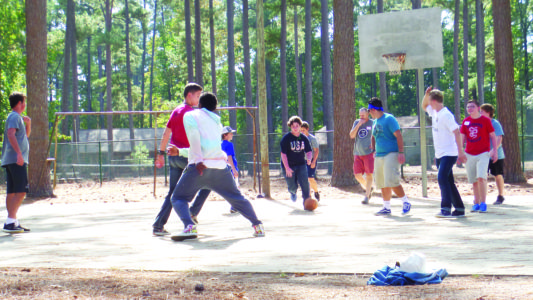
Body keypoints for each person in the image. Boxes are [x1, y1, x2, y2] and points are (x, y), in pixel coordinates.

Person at [170, 92, 265, 241]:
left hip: (199, 166)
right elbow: (208, 146)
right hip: (220, 167)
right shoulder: (217, 123)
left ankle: (189, 226)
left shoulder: (191, 116)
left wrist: (199, 160)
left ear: (200, 105)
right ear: (214, 108)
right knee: (236, 198)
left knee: (178, 198)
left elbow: (195, 139)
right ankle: (258, 226)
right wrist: (181, 151)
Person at [152, 83, 211, 236]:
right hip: (186, 157)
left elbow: (166, 133)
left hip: (173, 157)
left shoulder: (176, 111)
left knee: (173, 193)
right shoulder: (191, 114)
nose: (199, 100)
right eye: (198, 96)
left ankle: (158, 225)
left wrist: (161, 153)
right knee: (209, 181)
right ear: (189, 95)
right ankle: (191, 213)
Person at [422, 87, 467, 218]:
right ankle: (459, 208)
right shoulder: (435, 112)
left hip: (450, 153)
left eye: (430, 100)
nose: (429, 103)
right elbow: (424, 106)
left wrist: (460, 152)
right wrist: (426, 94)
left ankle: (445, 208)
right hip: (440, 154)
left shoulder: (446, 115)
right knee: (448, 181)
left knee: (441, 178)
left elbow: (457, 132)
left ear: (434, 101)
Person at [368, 98, 411, 216]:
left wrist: (401, 152)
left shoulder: (389, 119)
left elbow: (398, 135)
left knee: (392, 180)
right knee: (382, 182)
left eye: (369, 110)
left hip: (391, 154)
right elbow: (373, 136)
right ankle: (386, 207)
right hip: (379, 155)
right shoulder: (375, 121)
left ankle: (406, 202)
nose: (369, 113)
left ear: (374, 109)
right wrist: (373, 149)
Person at [460, 100, 498, 213]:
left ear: (478, 108)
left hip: (483, 153)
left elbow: (492, 135)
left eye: (472, 106)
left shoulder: (485, 120)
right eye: (468, 107)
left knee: (481, 177)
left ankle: (483, 203)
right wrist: (460, 152)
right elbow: (462, 137)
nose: (470, 108)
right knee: (474, 180)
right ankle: (476, 203)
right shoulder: (466, 121)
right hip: (469, 154)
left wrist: (495, 151)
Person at [2, 92, 31, 233]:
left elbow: (24, 137)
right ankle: (10, 222)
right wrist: (19, 154)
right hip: (16, 160)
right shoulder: (14, 116)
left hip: (11, 160)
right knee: (21, 191)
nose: (25, 104)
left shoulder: (16, 117)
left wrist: (28, 124)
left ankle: (12, 221)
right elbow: (10, 134)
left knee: (13, 192)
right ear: (20, 103)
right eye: (24, 102)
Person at [280, 116, 313, 206]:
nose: (295, 128)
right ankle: (293, 192)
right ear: (290, 126)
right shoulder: (286, 139)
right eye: (293, 126)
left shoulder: (304, 138)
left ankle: (306, 202)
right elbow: (283, 154)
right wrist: (287, 168)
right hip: (288, 165)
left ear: (300, 126)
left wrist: (309, 158)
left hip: (301, 164)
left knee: (305, 184)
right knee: (292, 186)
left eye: (297, 126)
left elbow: (309, 150)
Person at [480, 103, 506, 205]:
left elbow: (499, 138)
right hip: (483, 154)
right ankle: (481, 198)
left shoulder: (495, 123)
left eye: (482, 111)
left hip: (497, 155)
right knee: (482, 176)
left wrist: (494, 151)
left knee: (497, 175)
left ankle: (500, 196)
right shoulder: (481, 123)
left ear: (488, 112)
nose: (480, 113)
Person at [350, 107, 375, 204]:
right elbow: (351, 135)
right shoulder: (357, 122)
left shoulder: (372, 123)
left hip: (368, 153)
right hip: (357, 153)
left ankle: (366, 196)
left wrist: (374, 145)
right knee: (357, 175)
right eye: (360, 115)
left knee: (369, 174)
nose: (361, 117)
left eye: (363, 115)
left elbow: (378, 135)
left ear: (368, 114)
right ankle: (369, 188)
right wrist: (358, 125)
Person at [221, 125, 240, 213]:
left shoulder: (220, 144)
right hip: (230, 169)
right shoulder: (229, 144)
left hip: (223, 169)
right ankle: (234, 206)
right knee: (235, 188)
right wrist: (234, 169)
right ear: (225, 135)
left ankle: (234, 206)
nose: (232, 135)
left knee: (232, 188)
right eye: (230, 133)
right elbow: (229, 157)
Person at [300, 121, 320, 201]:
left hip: (310, 160)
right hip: (302, 161)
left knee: (310, 178)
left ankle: (316, 191)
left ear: (307, 129)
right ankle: (308, 196)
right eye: (300, 130)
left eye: (303, 130)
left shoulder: (312, 139)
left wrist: (313, 161)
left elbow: (316, 151)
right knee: (304, 179)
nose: (302, 132)